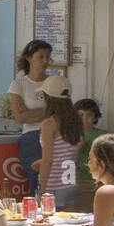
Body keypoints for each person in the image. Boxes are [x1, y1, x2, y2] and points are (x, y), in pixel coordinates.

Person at [8, 39, 53, 196]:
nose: (45, 61)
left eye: (48, 57)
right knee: (36, 179)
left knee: (54, 180)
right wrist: (48, 110)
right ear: (29, 57)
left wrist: (33, 113)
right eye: (40, 56)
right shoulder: (19, 84)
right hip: (32, 137)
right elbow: (20, 116)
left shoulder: (53, 83)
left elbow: (61, 112)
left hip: (54, 135)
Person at [37, 75, 83, 207]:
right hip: (71, 182)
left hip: (53, 184)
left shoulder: (50, 123)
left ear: (48, 98)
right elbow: (70, 151)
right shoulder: (76, 121)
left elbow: (48, 159)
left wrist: (42, 190)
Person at [73, 98, 107, 212]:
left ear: (95, 117)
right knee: (84, 213)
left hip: (102, 180)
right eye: (80, 115)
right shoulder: (69, 134)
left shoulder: (104, 135)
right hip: (80, 180)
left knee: (101, 212)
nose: (84, 118)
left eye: (89, 115)